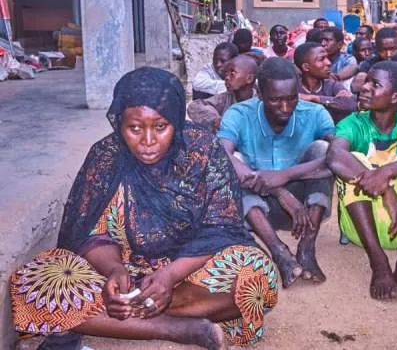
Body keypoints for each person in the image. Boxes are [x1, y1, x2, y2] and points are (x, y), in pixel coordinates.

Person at [11, 68, 278, 349]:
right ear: (119, 124)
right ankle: (175, 329)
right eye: (135, 128)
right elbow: (92, 233)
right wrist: (114, 271)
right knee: (34, 283)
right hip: (121, 275)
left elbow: (221, 228)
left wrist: (169, 276)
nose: (148, 141)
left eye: (160, 127)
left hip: (190, 276)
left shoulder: (203, 152)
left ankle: (123, 316)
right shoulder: (105, 159)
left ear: (175, 121)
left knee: (258, 274)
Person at [219, 58, 335, 288]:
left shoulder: (315, 113)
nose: (285, 108)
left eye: (292, 98)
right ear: (259, 95)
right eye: (275, 100)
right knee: (233, 161)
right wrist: (279, 191)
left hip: (302, 212)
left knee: (323, 150)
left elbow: (338, 156)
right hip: (256, 206)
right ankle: (278, 250)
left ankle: (307, 246)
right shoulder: (239, 114)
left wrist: (286, 175)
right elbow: (222, 153)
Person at [327, 61, 397, 302]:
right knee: (352, 159)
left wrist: (386, 172)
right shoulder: (353, 122)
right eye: (365, 81)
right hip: (362, 231)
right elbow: (335, 156)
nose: (364, 87)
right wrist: (386, 189)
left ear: (396, 96)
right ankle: (379, 264)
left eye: (374, 84)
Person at [188, 55, 257, 130]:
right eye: (226, 74)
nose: (227, 78)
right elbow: (195, 106)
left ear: (249, 78)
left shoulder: (260, 103)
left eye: (232, 74)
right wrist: (216, 120)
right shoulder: (226, 97)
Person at [294, 42, 356, 123]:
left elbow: (350, 104)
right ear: (306, 67)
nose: (328, 63)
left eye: (327, 57)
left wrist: (314, 98)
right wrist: (334, 100)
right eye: (321, 59)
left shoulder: (331, 85)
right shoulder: (293, 87)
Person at [352, 28, 397, 93]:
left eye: (392, 49)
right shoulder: (368, 64)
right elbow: (356, 88)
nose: (388, 54)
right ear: (377, 47)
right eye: (384, 50)